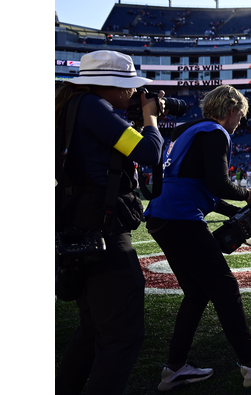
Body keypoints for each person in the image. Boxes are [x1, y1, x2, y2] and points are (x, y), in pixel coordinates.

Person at [144, 85, 251, 391]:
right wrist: (249, 195)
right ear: (231, 109)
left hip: (162, 216)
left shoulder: (190, 130)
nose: (240, 122)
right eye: (240, 114)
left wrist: (233, 208)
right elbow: (219, 183)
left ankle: (174, 368)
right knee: (225, 287)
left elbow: (202, 187)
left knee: (198, 293)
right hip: (181, 218)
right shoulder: (216, 132)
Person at [55, 50, 164, 395]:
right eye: (130, 86)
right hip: (103, 229)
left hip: (78, 221)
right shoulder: (93, 107)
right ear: (110, 84)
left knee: (91, 330)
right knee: (121, 334)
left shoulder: (73, 105)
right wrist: (150, 119)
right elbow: (148, 152)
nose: (134, 93)